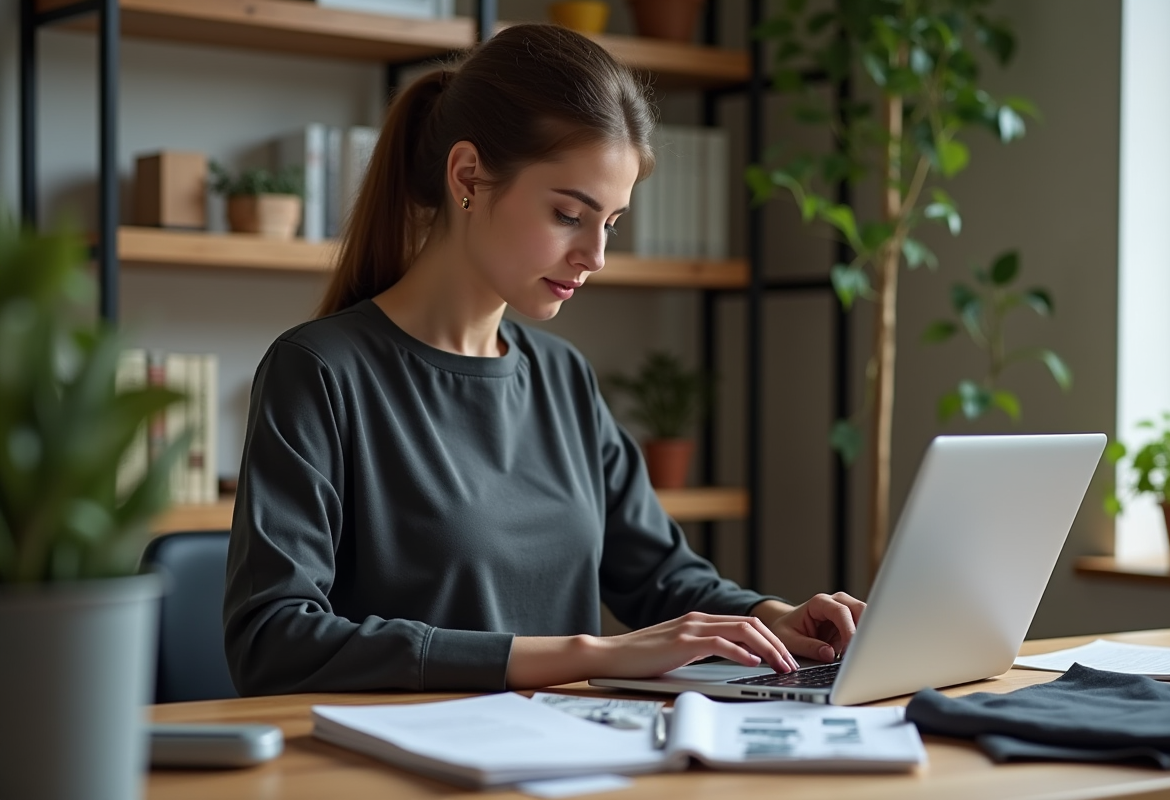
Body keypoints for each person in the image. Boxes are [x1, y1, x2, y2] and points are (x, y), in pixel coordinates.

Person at [223, 22, 864, 697]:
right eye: (568, 214)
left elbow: (661, 576)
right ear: (468, 177)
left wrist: (772, 616)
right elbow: (272, 639)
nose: (597, 256)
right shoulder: (320, 372)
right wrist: (589, 654)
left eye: (610, 223)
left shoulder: (563, 377)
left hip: (568, 745)